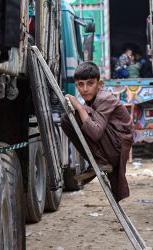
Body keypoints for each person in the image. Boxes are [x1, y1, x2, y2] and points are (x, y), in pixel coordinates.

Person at [61, 62, 133, 202]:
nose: (85, 89)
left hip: (117, 148)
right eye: (81, 84)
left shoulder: (104, 98)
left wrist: (80, 107)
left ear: (99, 84)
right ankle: (98, 160)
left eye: (90, 83)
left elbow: (96, 133)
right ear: (76, 85)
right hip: (111, 145)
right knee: (66, 120)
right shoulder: (92, 99)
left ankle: (102, 160)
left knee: (81, 113)